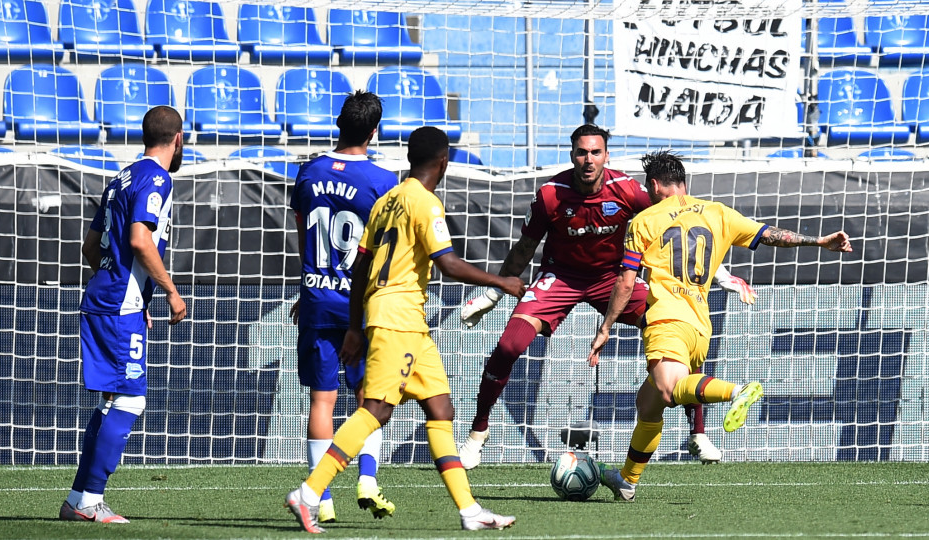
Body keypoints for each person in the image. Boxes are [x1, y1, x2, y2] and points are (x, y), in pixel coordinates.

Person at [457, 124, 755, 469]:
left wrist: (719, 274)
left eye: (595, 152)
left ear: (605, 156)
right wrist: (495, 290)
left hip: (613, 280)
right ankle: (478, 434)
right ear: (572, 155)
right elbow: (525, 247)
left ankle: (698, 432)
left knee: (680, 320)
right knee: (509, 346)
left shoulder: (626, 190)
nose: (588, 159)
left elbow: (680, 223)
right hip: (561, 278)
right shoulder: (551, 195)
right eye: (582, 152)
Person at [285, 126, 527, 534]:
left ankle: (469, 511)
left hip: (407, 322)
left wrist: (354, 326)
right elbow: (448, 264)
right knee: (376, 409)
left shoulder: (387, 200)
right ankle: (308, 494)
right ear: (444, 161)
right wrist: (502, 282)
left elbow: (360, 266)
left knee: (441, 408)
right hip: (397, 318)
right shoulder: (424, 203)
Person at [589, 150, 853, 502]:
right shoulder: (717, 212)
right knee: (648, 405)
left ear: (653, 185)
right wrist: (817, 242)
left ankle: (736, 391)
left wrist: (605, 327)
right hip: (700, 324)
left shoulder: (644, 221)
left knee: (668, 389)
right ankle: (627, 480)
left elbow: (625, 283)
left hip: (668, 318)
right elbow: (769, 235)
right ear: (682, 182)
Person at [60, 106, 188, 523]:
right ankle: (89, 502)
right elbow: (139, 239)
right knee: (130, 400)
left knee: (113, 400)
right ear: (178, 138)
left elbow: (89, 248)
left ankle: (78, 497)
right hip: (119, 305)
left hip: (104, 296)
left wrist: (131, 291)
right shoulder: (156, 178)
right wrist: (168, 292)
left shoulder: (121, 176)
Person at [288, 90, 399, 524]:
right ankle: (368, 480)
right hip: (360, 305)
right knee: (368, 397)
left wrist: (308, 279)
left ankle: (323, 497)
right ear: (375, 131)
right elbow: (385, 252)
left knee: (322, 400)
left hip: (316, 295)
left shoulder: (308, 172)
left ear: (338, 123)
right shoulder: (383, 181)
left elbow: (304, 231)